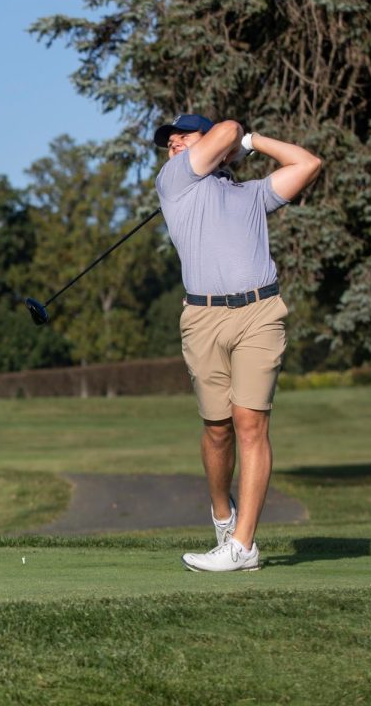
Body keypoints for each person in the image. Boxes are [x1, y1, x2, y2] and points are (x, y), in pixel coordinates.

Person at [153, 114, 321, 572]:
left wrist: (249, 141)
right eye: (167, 142)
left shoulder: (251, 195)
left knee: (250, 424)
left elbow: (308, 162)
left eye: (182, 137)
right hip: (203, 317)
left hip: (260, 314)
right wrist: (227, 142)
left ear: (208, 144)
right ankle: (222, 514)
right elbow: (224, 129)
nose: (172, 145)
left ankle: (243, 546)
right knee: (217, 427)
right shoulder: (175, 182)